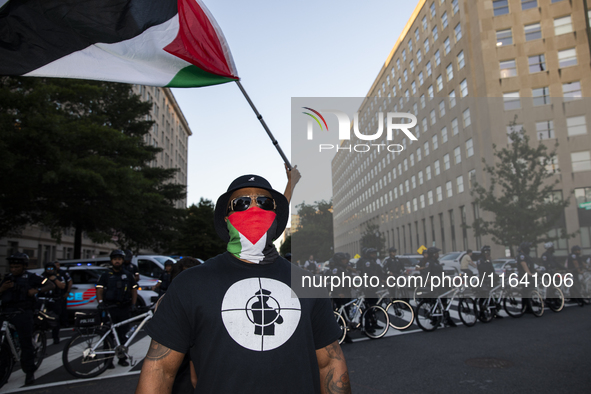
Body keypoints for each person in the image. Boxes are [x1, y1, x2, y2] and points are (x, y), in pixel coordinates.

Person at [136, 174, 350, 394]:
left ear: (275, 217)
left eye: (265, 202)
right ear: (227, 219)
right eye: (241, 203)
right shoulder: (190, 284)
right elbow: (160, 369)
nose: (254, 208)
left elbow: (330, 362)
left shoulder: (309, 283)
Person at [0, 253, 55, 385]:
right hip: (6, 312)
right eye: (12, 266)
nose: (13, 269)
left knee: (26, 344)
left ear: (24, 266)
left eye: (17, 266)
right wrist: (2, 288)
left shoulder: (32, 277)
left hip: (23, 312)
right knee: (5, 344)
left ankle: (29, 373)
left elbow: (50, 285)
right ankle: (4, 371)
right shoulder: (7, 278)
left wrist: (36, 290)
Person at [96, 249, 138, 367]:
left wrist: (133, 304)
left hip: (124, 308)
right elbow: (99, 289)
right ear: (111, 261)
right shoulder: (105, 275)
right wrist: (100, 302)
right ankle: (108, 360)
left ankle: (122, 358)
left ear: (123, 260)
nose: (117, 261)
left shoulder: (128, 275)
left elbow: (134, 289)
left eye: (119, 259)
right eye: (115, 259)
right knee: (108, 335)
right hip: (109, 308)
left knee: (123, 335)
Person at [424, 247, 456, 327]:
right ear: (433, 254)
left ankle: (441, 319)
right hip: (435, 284)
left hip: (441, 283)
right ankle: (440, 319)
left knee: (442, 301)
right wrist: (429, 279)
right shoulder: (429, 262)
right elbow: (426, 272)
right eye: (437, 253)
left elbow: (441, 272)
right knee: (438, 301)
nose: (438, 254)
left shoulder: (437, 262)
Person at [39, 261, 67, 344]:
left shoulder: (58, 276)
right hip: (43, 299)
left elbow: (62, 286)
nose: (50, 270)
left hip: (55, 300)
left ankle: (55, 337)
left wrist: (54, 279)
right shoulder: (42, 276)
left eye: (52, 269)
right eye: (48, 269)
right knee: (40, 318)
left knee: (55, 319)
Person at [54, 260, 72, 327]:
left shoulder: (63, 272)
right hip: (52, 295)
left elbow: (69, 281)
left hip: (62, 294)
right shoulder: (49, 273)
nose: (57, 267)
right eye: (56, 265)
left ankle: (64, 323)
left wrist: (67, 292)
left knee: (63, 310)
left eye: (58, 265)